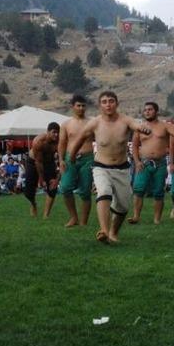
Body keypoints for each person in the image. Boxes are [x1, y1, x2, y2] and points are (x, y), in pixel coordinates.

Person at [69, 91, 152, 244]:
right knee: (104, 192)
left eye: (111, 101)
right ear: (100, 105)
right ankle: (104, 231)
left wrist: (143, 129)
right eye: (105, 101)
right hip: (101, 166)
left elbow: (136, 125)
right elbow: (80, 139)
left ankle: (113, 232)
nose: (108, 104)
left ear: (117, 103)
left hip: (122, 168)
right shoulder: (95, 123)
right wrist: (72, 157)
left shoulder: (125, 120)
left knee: (122, 207)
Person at [129, 102, 174, 225]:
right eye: (145, 110)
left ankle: (157, 219)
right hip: (144, 163)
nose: (147, 112)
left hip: (160, 163)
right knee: (138, 189)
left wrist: (171, 162)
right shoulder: (140, 127)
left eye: (150, 109)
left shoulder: (165, 126)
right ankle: (136, 217)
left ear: (156, 111)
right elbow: (134, 146)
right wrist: (137, 161)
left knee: (159, 192)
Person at [58, 94, 94, 227]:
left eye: (83, 105)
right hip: (70, 158)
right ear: (72, 107)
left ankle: (83, 222)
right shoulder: (66, 124)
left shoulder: (92, 123)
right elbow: (62, 143)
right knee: (65, 188)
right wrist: (61, 159)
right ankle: (73, 217)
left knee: (85, 191)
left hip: (88, 158)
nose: (81, 108)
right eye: (78, 105)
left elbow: (101, 141)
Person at [24, 122, 60, 218]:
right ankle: (33, 203)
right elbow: (38, 162)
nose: (56, 135)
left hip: (49, 163)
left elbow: (62, 160)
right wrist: (41, 179)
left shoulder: (59, 141)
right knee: (28, 192)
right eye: (54, 132)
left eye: (58, 133)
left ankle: (46, 215)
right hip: (33, 162)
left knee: (53, 188)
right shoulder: (39, 141)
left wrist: (57, 178)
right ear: (48, 132)